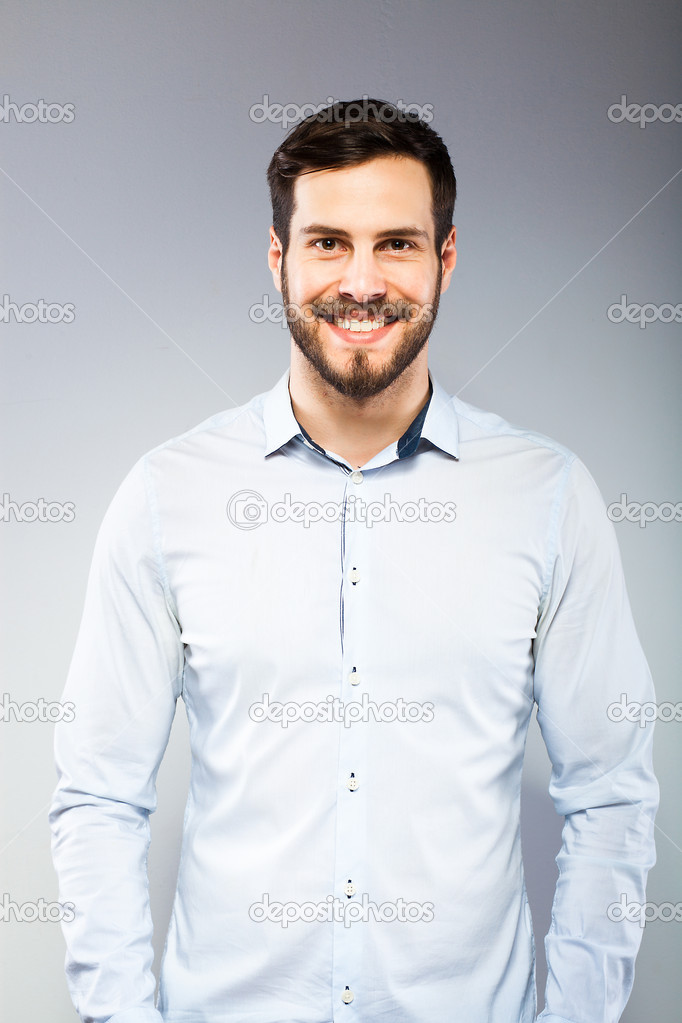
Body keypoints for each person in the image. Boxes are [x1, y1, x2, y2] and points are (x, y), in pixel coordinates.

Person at [50, 98, 659, 1023]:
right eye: (329, 242)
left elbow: (612, 800)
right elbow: (98, 798)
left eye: (398, 244)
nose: (363, 281)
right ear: (277, 258)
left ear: (445, 259)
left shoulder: (549, 499)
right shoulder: (166, 497)